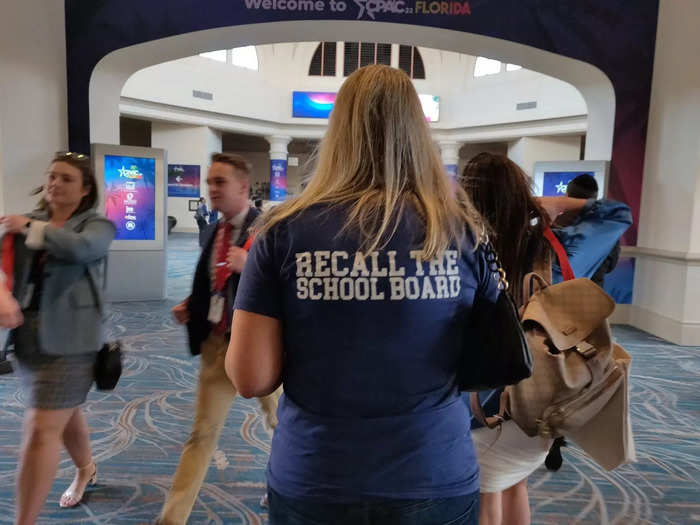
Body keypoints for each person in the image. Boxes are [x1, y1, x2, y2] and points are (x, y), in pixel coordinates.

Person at [226, 65, 496, 525]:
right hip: (433, 471)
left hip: (317, 472)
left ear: (339, 133)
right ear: (418, 133)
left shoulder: (283, 231)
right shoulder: (464, 232)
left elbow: (251, 379)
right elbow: (488, 367)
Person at [459, 153, 632, 525]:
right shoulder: (557, 249)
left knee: (484, 491)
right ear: (521, 195)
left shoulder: (455, 248)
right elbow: (617, 213)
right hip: (542, 393)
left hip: (475, 398)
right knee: (514, 483)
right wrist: (546, 203)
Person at [157, 153, 280, 525]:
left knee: (281, 425)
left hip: (259, 349)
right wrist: (189, 306)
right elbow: (211, 282)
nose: (211, 189)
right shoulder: (213, 229)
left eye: (219, 182)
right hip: (216, 345)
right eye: (209, 182)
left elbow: (288, 286)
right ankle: (171, 519)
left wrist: (253, 264)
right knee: (201, 434)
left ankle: (284, 488)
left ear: (243, 187)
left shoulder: (270, 230)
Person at [0, 152, 115, 524]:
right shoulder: (25, 222)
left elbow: (82, 249)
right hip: (27, 339)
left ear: (84, 190)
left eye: (66, 178)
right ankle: (86, 468)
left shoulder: (96, 225)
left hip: (73, 342)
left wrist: (30, 229)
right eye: (52, 176)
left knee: (41, 428)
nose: (55, 183)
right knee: (63, 414)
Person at [564, 173, 621, 288]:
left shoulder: (557, 226)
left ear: (567, 196)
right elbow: (611, 265)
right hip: (593, 295)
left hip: (559, 296)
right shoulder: (608, 228)